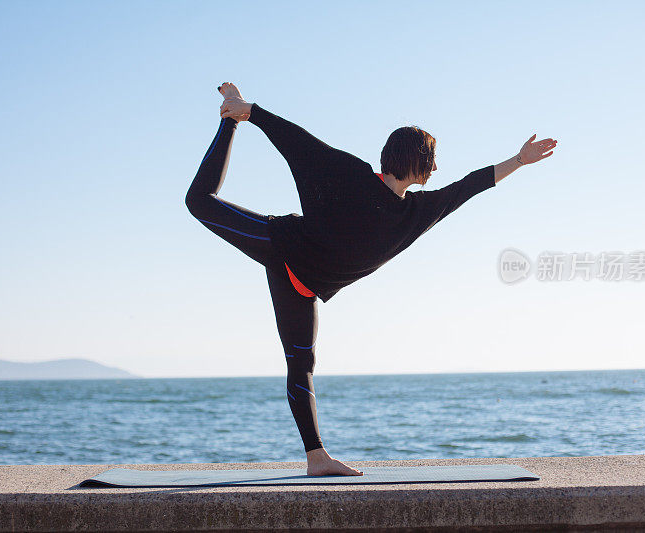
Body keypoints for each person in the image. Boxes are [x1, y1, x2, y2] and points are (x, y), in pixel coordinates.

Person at [185, 82, 557, 476]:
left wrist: (518, 159)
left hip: (305, 285)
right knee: (198, 202)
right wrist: (247, 111)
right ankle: (228, 118)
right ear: (415, 161)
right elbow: (299, 142)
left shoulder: (417, 212)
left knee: (301, 363)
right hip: (282, 246)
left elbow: (470, 186)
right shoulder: (350, 175)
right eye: (432, 160)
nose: (436, 169)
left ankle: (317, 458)